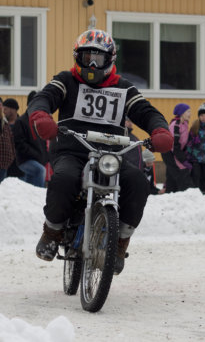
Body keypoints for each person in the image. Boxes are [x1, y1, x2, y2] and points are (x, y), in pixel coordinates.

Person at [28, 28, 172, 276]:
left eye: (99, 58)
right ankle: (52, 231)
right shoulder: (66, 80)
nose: (92, 64)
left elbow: (146, 112)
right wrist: (41, 116)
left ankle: (120, 242)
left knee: (137, 182)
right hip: (73, 149)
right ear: (77, 57)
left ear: (110, 60)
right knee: (64, 179)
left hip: (112, 154)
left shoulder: (124, 88)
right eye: (87, 58)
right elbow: (44, 98)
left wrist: (160, 130)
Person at [13, 92, 50, 188]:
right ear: (29, 104)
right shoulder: (21, 121)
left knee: (28, 185)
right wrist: (36, 155)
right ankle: (38, 197)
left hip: (38, 160)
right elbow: (19, 143)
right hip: (25, 160)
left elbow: (44, 142)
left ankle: (28, 198)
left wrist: (45, 157)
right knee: (40, 170)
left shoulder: (40, 121)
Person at [161, 103, 194, 193]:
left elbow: (183, 144)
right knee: (180, 172)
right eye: (188, 112)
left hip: (175, 152)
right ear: (181, 113)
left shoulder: (184, 124)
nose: (190, 114)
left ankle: (171, 192)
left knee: (172, 174)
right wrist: (183, 160)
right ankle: (185, 192)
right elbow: (174, 145)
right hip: (168, 152)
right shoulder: (175, 125)